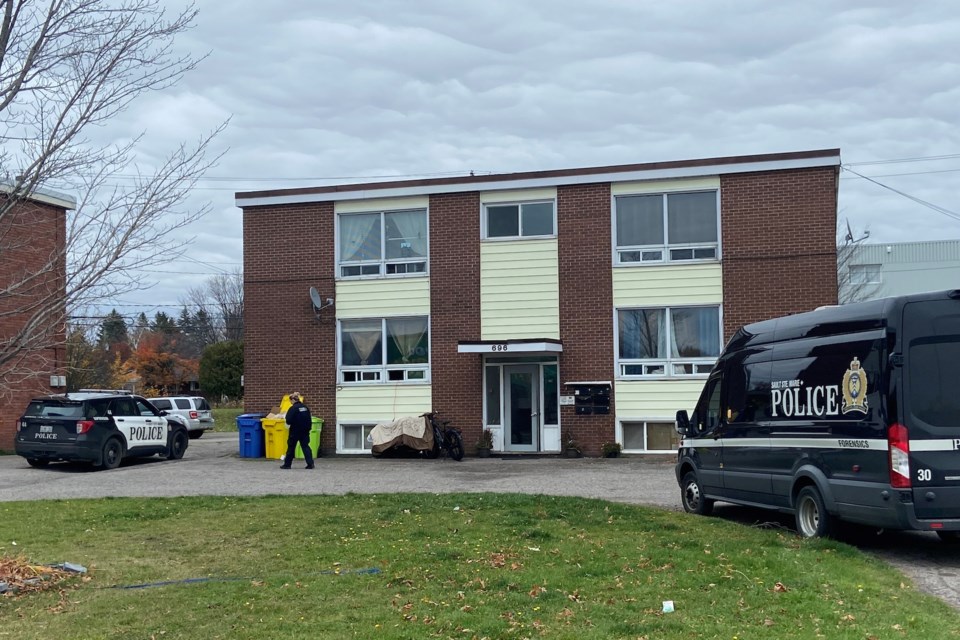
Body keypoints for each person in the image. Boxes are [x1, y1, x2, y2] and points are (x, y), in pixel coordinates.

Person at [280, 392, 314, 469]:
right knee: (305, 447)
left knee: (291, 448)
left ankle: (287, 464)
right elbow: (309, 419)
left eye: (290, 401)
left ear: (292, 400)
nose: (290, 403)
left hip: (295, 431)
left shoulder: (293, 408)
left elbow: (288, 420)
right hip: (305, 431)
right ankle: (310, 464)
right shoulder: (305, 408)